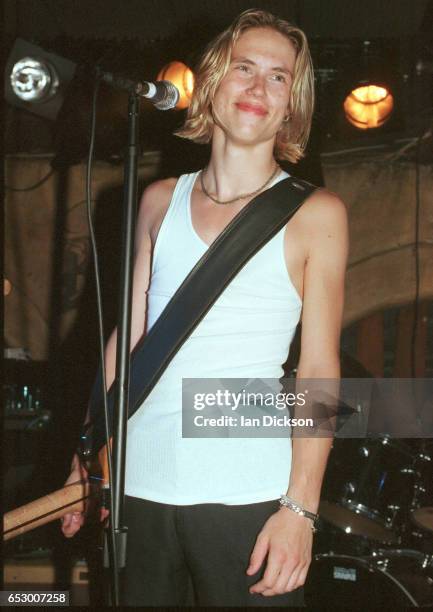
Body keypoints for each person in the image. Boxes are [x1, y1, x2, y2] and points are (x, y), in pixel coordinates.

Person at [61, 8, 348, 607]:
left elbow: (319, 368)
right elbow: (130, 336)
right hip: (137, 487)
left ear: (291, 104)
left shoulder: (317, 213)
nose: (257, 87)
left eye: (278, 77)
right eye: (244, 68)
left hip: (246, 495)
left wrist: (301, 508)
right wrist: (87, 454)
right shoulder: (159, 200)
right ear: (213, 82)